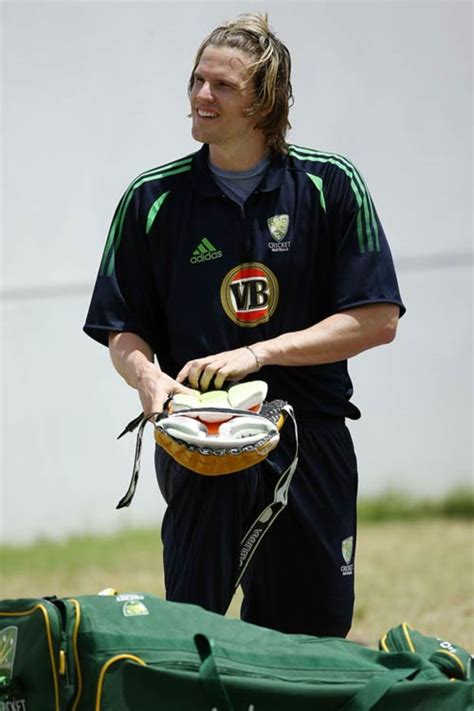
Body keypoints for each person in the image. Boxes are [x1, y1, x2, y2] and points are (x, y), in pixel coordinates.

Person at [84, 12, 405, 638]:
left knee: (309, 642)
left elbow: (377, 319)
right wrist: (148, 382)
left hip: (310, 434)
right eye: (197, 81)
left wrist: (259, 354)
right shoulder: (153, 199)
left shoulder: (330, 185)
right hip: (200, 441)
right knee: (194, 635)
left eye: (223, 86)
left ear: (265, 99)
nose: (202, 97)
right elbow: (122, 330)